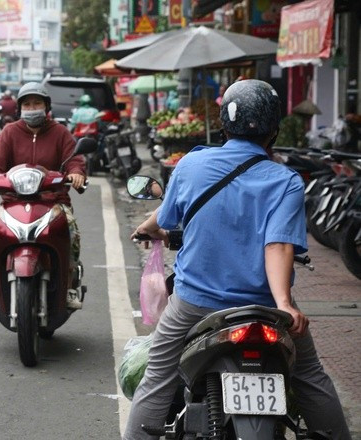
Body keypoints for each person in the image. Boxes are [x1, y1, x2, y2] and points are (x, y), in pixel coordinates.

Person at [124, 80, 351, 440]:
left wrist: (148, 228)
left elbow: (166, 217)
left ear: (223, 124)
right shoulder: (286, 180)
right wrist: (284, 305)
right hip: (264, 308)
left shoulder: (191, 165)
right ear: (273, 130)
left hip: (196, 304)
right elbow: (277, 245)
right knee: (310, 376)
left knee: (159, 374)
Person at [0, 82, 87, 319]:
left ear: (46, 106)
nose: (32, 108)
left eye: (37, 103)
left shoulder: (60, 132)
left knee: (72, 231)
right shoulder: (9, 132)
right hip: (12, 202)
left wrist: (76, 173)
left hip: (53, 201)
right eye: (27, 104)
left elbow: (74, 160)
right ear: (19, 108)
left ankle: (69, 286)